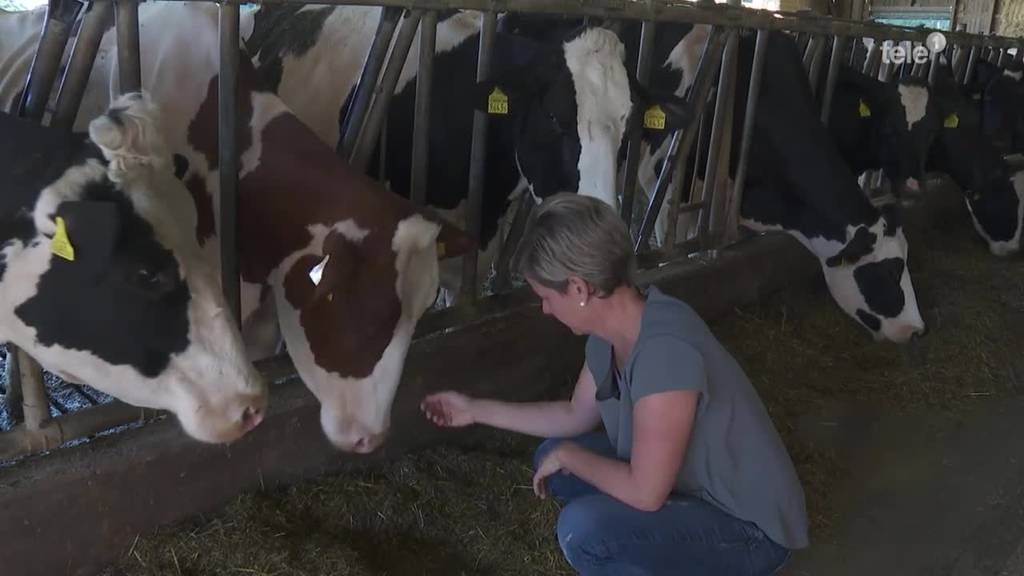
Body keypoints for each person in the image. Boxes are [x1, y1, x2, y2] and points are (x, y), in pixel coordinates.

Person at [420, 193, 808, 575]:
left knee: (584, 531)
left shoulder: (663, 355)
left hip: (747, 530)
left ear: (577, 288)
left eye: (544, 295)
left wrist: (573, 457)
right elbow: (574, 414)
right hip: (685, 485)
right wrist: (473, 410)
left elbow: (646, 493)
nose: (545, 308)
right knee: (554, 462)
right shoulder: (616, 331)